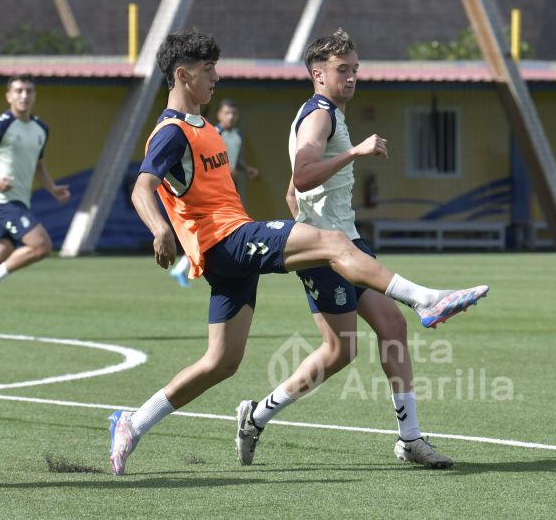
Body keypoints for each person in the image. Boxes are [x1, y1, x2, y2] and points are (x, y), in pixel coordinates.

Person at [108, 29, 488, 476]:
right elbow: (141, 188)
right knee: (332, 243)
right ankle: (426, 298)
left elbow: (291, 181)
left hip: (229, 247)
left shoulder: (205, 126)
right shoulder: (171, 131)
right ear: (182, 75)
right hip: (227, 241)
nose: (216, 77)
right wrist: (160, 230)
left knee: (222, 362)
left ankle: (133, 421)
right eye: (208, 70)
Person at [234, 28, 453, 470]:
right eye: (342, 70)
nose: (351, 77)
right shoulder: (320, 114)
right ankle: (256, 416)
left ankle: (409, 439)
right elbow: (302, 175)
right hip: (326, 252)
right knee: (340, 352)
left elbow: (293, 192)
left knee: (392, 325)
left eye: (354, 69)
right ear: (318, 74)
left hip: (346, 242)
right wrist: (355, 152)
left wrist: (308, 213)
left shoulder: (325, 111)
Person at [0, 74, 70, 315]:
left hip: (18, 202)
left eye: (28, 91)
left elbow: (38, 166)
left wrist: (53, 188)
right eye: (18, 91)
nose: (23, 95)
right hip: (2, 202)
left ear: (34, 95)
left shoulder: (40, 129)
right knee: (42, 246)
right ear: (9, 96)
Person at [169, 99, 260, 288]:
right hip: (211, 192)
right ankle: (185, 266)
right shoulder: (212, 133)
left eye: (234, 114)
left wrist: (245, 169)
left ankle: (183, 267)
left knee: (216, 233)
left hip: (228, 189)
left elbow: (230, 160)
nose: (231, 117)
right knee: (211, 232)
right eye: (227, 113)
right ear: (219, 115)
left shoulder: (237, 135)